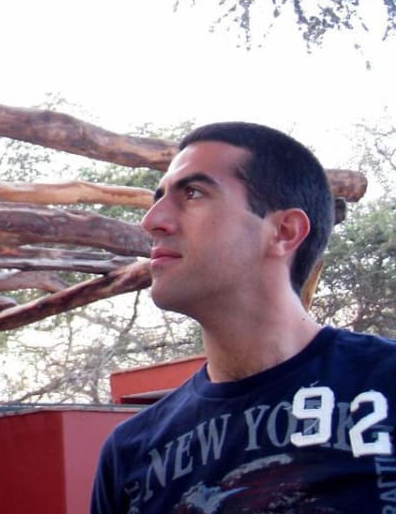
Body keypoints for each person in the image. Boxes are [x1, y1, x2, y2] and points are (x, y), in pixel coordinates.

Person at [91, 122, 396, 513]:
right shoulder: (129, 453)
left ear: (284, 231)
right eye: (159, 197)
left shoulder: (385, 382)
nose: (151, 221)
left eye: (193, 193)